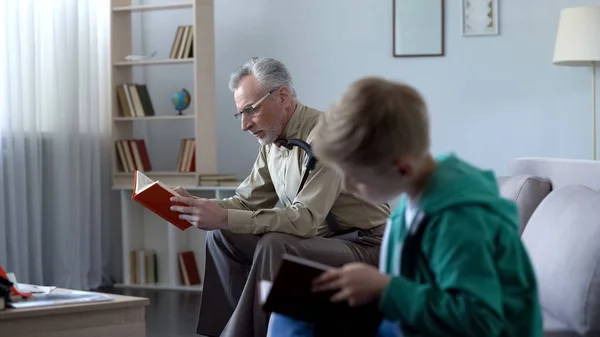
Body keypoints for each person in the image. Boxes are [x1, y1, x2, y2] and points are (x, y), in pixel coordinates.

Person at [267, 77, 544, 337]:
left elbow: (480, 321)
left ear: (401, 166)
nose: (348, 187)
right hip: (413, 321)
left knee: (297, 319)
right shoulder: (412, 198)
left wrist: (386, 288)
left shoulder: (458, 219)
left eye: (355, 176)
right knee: (293, 310)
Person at [169, 57, 391, 337]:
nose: (245, 125)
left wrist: (225, 217)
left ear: (283, 96)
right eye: (241, 114)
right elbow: (246, 201)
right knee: (220, 235)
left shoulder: (328, 137)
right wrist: (201, 207)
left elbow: (306, 220)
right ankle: (217, 332)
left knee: (277, 244)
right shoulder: (272, 140)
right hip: (324, 241)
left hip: (365, 245)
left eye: (251, 110)